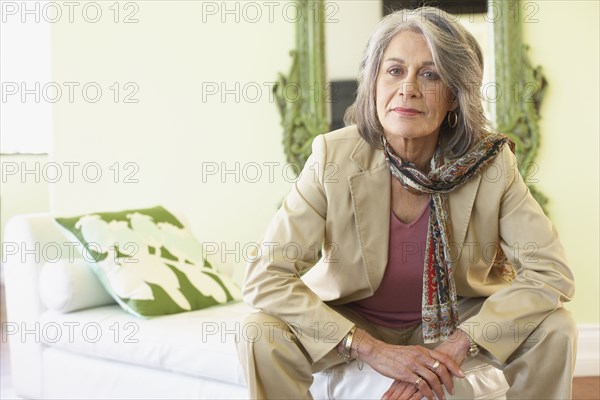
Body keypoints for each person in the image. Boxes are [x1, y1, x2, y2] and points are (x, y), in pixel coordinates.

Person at [238, 6, 576, 400]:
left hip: (454, 320)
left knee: (556, 326)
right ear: (374, 84)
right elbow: (266, 276)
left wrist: (458, 345)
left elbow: (551, 272)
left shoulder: (490, 162)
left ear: (454, 95)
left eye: (430, 74)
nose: (408, 88)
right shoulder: (332, 156)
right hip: (356, 318)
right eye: (395, 71)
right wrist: (370, 349)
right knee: (259, 330)